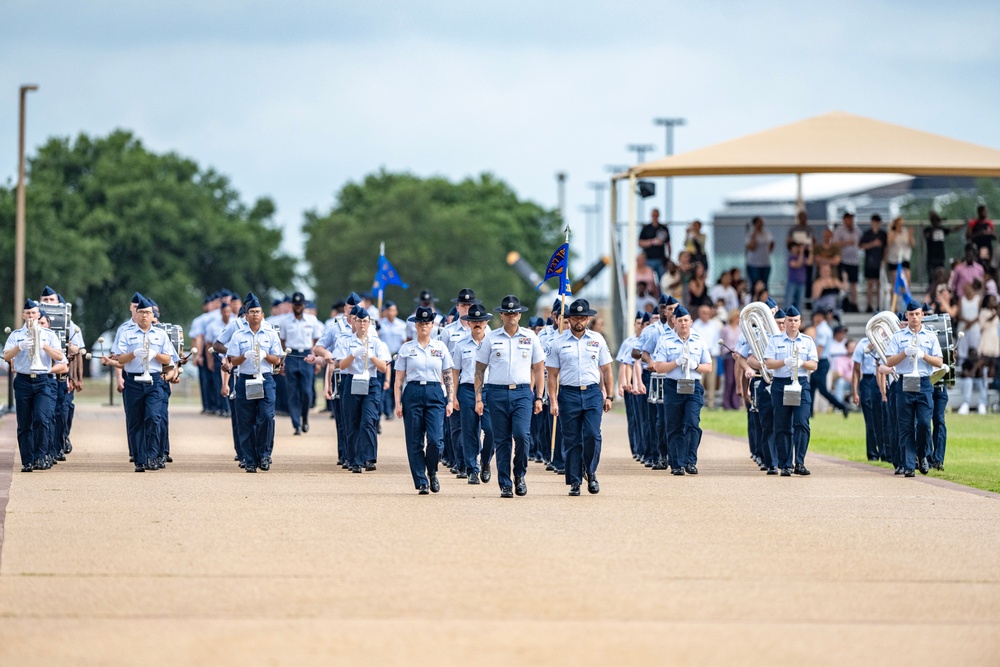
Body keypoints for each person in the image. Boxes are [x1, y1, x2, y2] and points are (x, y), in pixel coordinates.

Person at [474, 295, 545, 498]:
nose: (511, 315)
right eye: (507, 312)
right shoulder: (491, 338)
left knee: (522, 435)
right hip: (496, 392)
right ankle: (505, 483)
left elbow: (539, 369)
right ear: (501, 315)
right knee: (502, 440)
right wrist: (479, 398)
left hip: (522, 393)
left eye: (514, 312)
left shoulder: (530, 337)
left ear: (520, 314)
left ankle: (519, 475)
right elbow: (479, 370)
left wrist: (539, 397)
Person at [545, 299, 613, 495]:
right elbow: (552, 375)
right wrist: (553, 400)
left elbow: (607, 370)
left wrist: (608, 396)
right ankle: (575, 481)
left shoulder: (597, 339)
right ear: (569, 319)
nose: (579, 322)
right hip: (569, 393)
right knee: (572, 439)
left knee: (592, 434)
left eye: (582, 318)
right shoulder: (558, 342)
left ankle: (590, 472)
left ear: (588, 319)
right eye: (575, 318)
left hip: (592, 392)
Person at [102, 295, 176, 472]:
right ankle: (140, 460)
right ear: (135, 314)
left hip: (154, 380)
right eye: (141, 312)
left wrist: (154, 355)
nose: (144, 316)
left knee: (153, 417)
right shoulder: (126, 333)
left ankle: (152, 456)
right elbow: (120, 359)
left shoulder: (160, 334)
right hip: (133, 381)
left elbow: (168, 359)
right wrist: (134, 353)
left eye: (148, 313)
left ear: (153, 315)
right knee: (135, 422)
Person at [392, 306, 455, 494]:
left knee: (436, 440)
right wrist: (397, 403)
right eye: (420, 323)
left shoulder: (440, 347)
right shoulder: (407, 348)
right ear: (415, 325)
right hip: (413, 392)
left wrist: (450, 400)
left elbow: (448, 375)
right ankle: (421, 481)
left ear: (432, 325)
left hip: (435, 392)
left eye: (427, 323)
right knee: (415, 440)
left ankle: (432, 471)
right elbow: (399, 380)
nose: (424, 326)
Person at [3, 300, 64, 472]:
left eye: (34, 313)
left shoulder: (49, 335)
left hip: (43, 380)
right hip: (23, 380)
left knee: (41, 418)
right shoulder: (16, 335)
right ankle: (27, 461)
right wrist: (20, 347)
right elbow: (6, 355)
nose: (30, 316)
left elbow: (59, 356)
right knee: (24, 423)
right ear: (23, 315)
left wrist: (43, 345)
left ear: (39, 315)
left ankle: (40, 456)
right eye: (27, 313)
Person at [884, 301, 943, 477]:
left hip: (924, 382)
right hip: (905, 382)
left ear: (922, 315)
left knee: (925, 423)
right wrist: (905, 353)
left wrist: (923, 355)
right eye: (911, 314)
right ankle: (909, 465)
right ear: (907, 316)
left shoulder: (930, 336)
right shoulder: (898, 336)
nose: (915, 317)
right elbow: (889, 361)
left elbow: (939, 362)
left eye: (917, 314)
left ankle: (922, 454)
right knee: (906, 426)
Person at [652, 305, 712, 475]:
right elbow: (659, 366)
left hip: (693, 386)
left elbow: (708, 367)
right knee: (674, 425)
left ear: (691, 322)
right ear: (674, 322)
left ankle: (690, 461)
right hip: (673, 386)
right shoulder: (666, 340)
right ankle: (677, 464)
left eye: (686, 320)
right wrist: (676, 362)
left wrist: (696, 366)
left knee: (693, 424)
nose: (683, 323)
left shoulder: (699, 340)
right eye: (680, 320)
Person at [226, 294, 283, 473]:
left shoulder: (271, 333)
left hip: (265, 379)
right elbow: (232, 361)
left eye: (258, 312)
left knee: (266, 417)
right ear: (246, 315)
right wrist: (244, 356)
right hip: (245, 380)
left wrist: (266, 355)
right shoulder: (238, 334)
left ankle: (264, 454)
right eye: (252, 312)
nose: (255, 315)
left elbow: (278, 360)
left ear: (263, 314)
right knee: (245, 421)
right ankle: (249, 459)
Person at [764, 306, 818, 476]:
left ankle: (799, 462)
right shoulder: (775, 340)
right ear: (785, 322)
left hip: (801, 382)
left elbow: (814, 365)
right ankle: (785, 464)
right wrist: (784, 362)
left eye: (796, 320)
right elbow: (769, 363)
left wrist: (801, 363)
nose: (793, 323)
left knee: (802, 423)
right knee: (782, 424)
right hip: (781, 384)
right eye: (790, 320)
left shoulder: (807, 341)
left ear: (800, 322)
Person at [337, 306, 391, 473]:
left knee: (368, 419)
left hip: (371, 381)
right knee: (352, 421)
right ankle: (353, 460)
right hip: (352, 380)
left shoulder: (376, 342)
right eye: (359, 321)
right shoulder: (345, 341)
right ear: (354, 321)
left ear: (370, 323)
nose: (362, 324)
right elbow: (341, 365)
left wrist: (371, 356)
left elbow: (383, 367)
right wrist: (353, 354)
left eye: (365, 321)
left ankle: (368, 457)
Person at [453, 303, 495, 485]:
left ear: (486, 322)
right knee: (469, 432)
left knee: (492, 430)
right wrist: (453, 396)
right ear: (468, 323)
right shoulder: (461, 345)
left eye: (480, 320)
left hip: (490, 390)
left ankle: (485, 461)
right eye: (473, 321)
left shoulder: (495, 342)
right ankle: (472, 469)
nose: (477, 323)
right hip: (467, 390)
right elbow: (455, 371)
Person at [279, 292, 321, 435]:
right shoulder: (285, 321)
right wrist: (282, 361)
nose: (298, 307)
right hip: (291, 355)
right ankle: (296, 424)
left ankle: (304, 418)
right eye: (295, 305)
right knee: (292, 392)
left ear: (304, 305)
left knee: (307, 392)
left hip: (306, 355)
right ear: (292, 305)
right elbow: (282, 342)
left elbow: (316, 342)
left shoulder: (312, 320)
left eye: (300, 305)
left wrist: (316, 360)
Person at [852, 333, 886, 462]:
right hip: (868, 380)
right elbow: (856, 370)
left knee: (883, 418)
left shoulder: (887, 342)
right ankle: (872, 453)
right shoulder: (862, 344)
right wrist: (855, 392)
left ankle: (886, 452)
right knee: (870, 420)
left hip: (883, 377)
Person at [810, 308, 849, 417]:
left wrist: (814, 361)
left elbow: (820, 348)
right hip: (822, 361)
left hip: (820, 361)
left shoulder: (822, 330)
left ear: (819, 316)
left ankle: (842, 406)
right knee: (811, 387)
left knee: (822, 390)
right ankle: (809, 412)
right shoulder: (824, 328)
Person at [378, 300, 407, 420]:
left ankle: (395, 406)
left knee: (396, 382)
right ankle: (387, 409)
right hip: (384, 357)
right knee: (385, 384)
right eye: (388, 310)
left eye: (393, 310)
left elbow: (404, 342)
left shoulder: (401, 325)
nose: (391, 312)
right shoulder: (380, 324)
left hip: (396, 356)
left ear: (396, 312)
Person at [691, 305, 720, 409]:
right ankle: (699, 403)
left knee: (711, 381)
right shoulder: (695, 325)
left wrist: (713, 352)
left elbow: (717, 341)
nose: (706, 315)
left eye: (708, 313)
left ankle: (711, 404)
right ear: (699, 313)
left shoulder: (714, 325)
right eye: (704, 313)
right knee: (699, 380)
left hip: (711, 356)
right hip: (699, 358)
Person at [833, 212, 862, 311]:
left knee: (854, 283)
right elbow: (834, 243)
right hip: (843, 260)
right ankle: (843, 303)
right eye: (849, 219)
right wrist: (846, 242)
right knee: (844, 282)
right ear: (844, 220)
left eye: (852, 219)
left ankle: (854, 303)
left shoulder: (857, 230)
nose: (851, 221)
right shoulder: (839, 230)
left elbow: (860, 244)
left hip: (854, 261)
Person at [859, 214, 887, 312]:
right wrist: (872, 244)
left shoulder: (883, 234)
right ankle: (869, 304)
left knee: (879, 284)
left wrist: (884, 260)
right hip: (869, 261)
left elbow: (885, 248)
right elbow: (861, 246)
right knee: (870, 284)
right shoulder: (867, 234)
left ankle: (879, 304)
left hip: (879, 261)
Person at [638, 207, 671, 280]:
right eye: (653, 215)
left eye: (656, 215)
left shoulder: (663, 228)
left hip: (660, 259)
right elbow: (640, 243)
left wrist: (669, 257)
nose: (655, 217)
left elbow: (668, 243)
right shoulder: (646, 228)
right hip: (648, 259)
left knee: (662, 280)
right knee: (648, 279)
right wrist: (652, 242)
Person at [745, 216, 774, 290]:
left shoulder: (767, 233)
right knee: (755, 284)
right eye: (759, 222)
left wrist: (768, 252)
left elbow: (772, 243)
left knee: (765, 285)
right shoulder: (750, 234)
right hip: (754, 264)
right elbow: (751, 247)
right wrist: (754, 237)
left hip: (765, 263)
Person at [923, 211, 952, 279]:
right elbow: (929, 236)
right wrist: (935, 226)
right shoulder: (928, 230)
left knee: (941, 277)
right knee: (932, 278)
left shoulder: (941, 229)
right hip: (931, 258)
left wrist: (965, 224)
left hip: (940, 258)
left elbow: (952, 230)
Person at [886, 217, 914, 285]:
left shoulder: (905, 232)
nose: (901, 226)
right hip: (894, 259)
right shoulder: (891, 233)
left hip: (904, 258)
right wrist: (895, 232)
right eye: (899, 224)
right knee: (895, 280)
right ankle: (894, 294)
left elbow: (912, 244)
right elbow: (889, 243)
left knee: (907, 278)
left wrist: (910, 235)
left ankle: (906, 294)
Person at [785, 242, 809, 313]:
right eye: (794, 247)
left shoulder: (803, 257)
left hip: (801, 283)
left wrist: (811, 251)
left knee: (800, 303)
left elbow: (810, 262)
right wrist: (801, 252)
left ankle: (798, 319)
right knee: (788, 302)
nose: (796, 249)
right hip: (792, 282)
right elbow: (798, 264)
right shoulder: (790, 258)